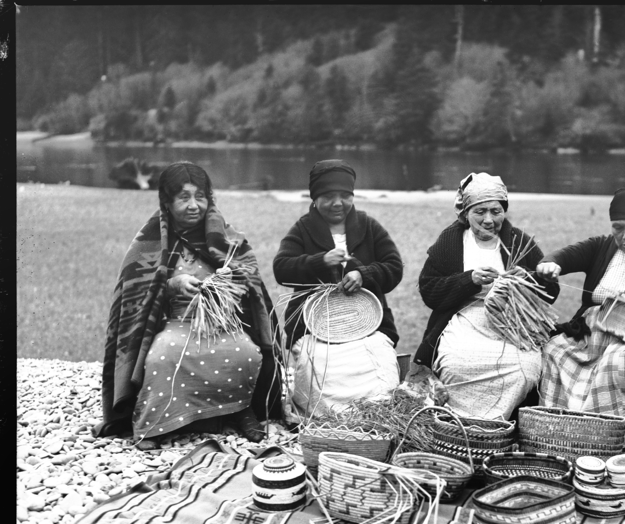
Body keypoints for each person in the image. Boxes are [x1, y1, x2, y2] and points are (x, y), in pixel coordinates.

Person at [95, 162, 282, 449]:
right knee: (163, 357)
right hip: (176, 323)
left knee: (247, 353)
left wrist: (230, 280)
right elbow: (137, 292)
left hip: (222, 323)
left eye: (201, 197)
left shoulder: (226, 237)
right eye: (184, 198)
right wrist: (172, 284)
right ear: (167, 202)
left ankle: (241, 410)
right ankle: (153, 424)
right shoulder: (150, 242)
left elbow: (250, 280)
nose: (194, 206)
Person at [534, 188, 625, 447]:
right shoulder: (599, 246)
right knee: (555, 351)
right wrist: (551, 264)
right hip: (590, 330)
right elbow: (561, 257)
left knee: (616, 365)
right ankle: (560, 427)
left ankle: (617, 437)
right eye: (618, 227)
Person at [412, 172, 560, 419]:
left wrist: (528, 280)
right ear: (466, 213)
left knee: (525, 369)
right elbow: (429, 291)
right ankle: (458, 421)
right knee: (457, 365)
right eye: (480, 211)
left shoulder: (517, 241)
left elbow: (550, 294)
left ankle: (498, 422)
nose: (489, 219)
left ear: (504, 211)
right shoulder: (451, 241)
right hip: (464, 319)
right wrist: (468, 280)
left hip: (512, 323)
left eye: (496, 211)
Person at [273, 160, 404, 418]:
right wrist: (319, 261)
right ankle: (326, 417)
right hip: (314, 327)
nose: (337, 203)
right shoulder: (303, 229)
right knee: (319, 366)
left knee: (378, 360)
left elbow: (394, 267)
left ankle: (377, 415)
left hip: (368, 325)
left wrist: (363, 274)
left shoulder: (368, 226)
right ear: (314, 198)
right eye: (328, 196)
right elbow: (281, 269)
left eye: (345, 196)